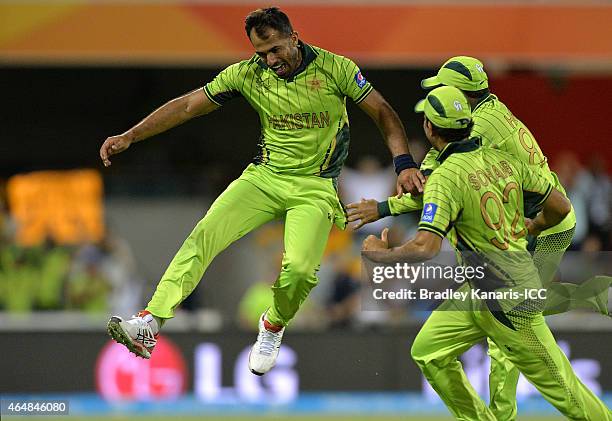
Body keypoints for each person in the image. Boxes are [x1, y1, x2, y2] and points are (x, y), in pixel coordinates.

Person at [99, 7, 424, 375]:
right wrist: (132, 135)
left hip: (314, 186)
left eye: (275, 49)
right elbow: (189, 106)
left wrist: (404, 162)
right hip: (264, 177)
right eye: (261, 53)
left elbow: (381, 111)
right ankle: (150, 321)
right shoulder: (247, 74)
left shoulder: (336, 69)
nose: (269, 60)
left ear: (294, 38)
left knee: (300, 271)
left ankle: (272, 325)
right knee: (206, 233)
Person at [348, 56, 610, 419]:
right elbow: (560, 204)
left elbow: (428, 230)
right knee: (429, 349)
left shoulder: (459, 159)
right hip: (507, 253)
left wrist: (382, 234)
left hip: (517, 270)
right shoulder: (492, 134)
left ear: (433, 125)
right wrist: (531, 224)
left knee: (546, 370)